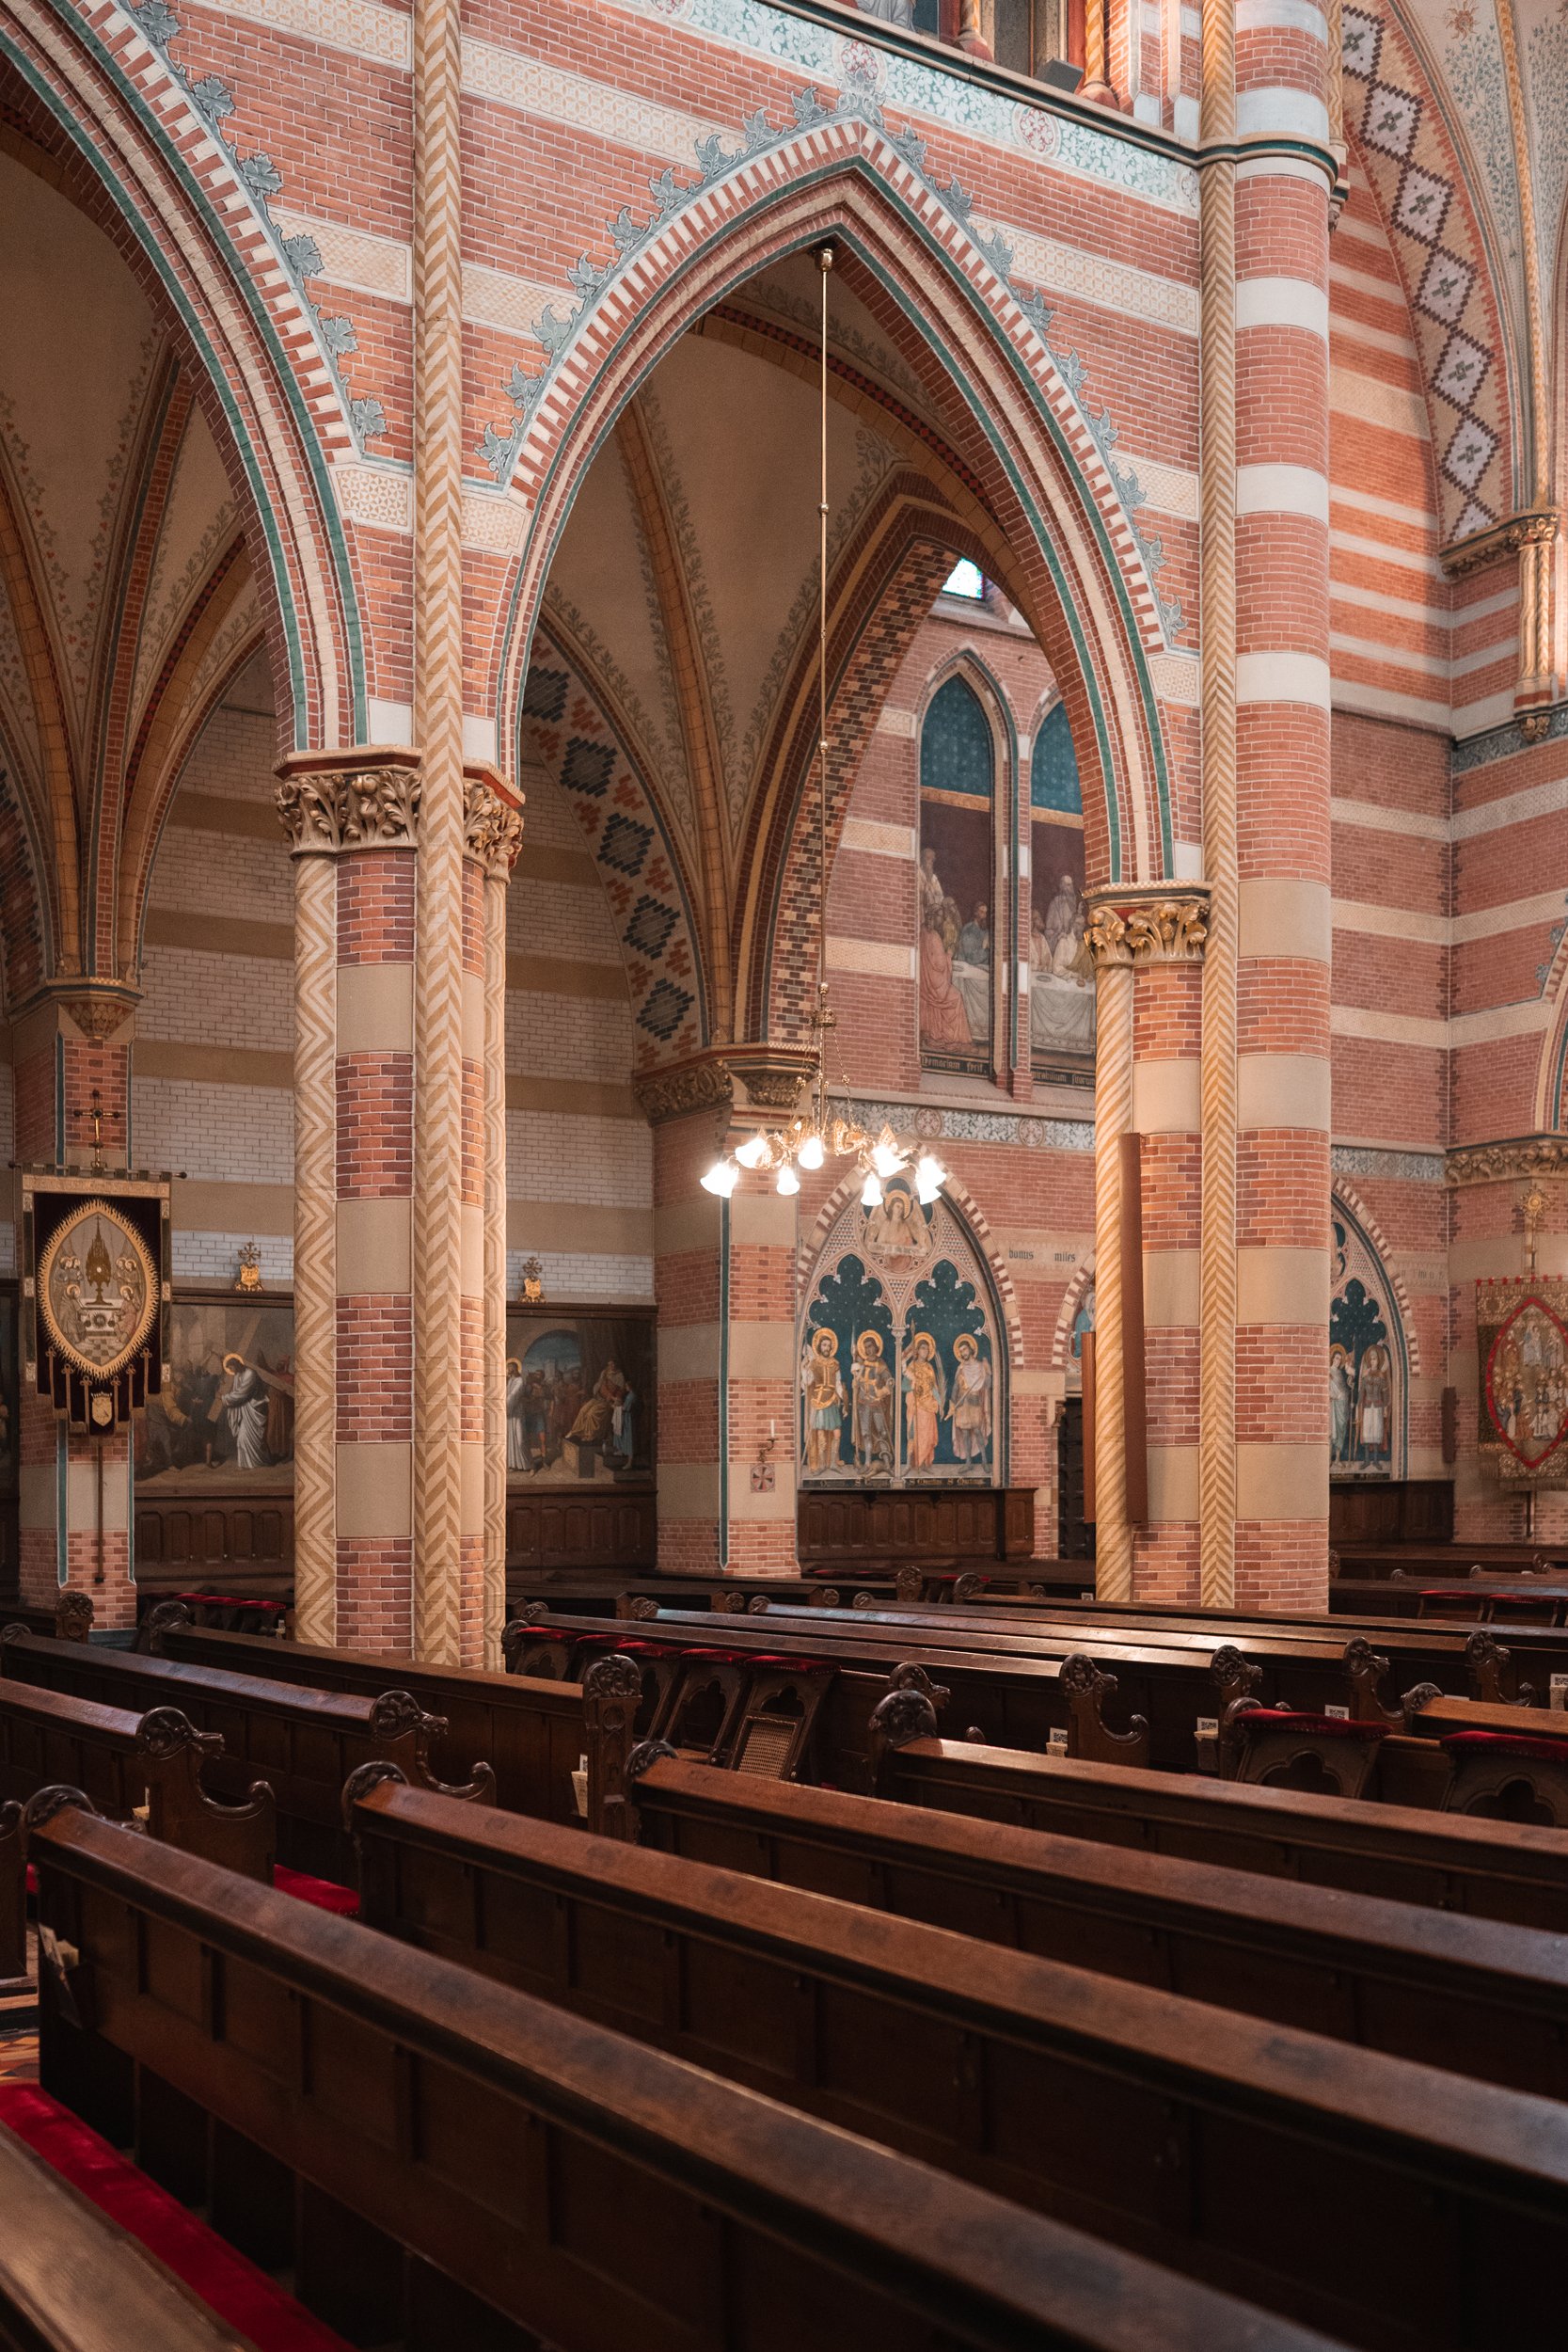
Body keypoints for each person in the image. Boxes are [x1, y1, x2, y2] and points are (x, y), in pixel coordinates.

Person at [920, 911, 973, 1046]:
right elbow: (940, 965)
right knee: (957, 997)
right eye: (938, 918)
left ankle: (936, 1035)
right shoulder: (933, 936)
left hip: (925, 984)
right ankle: (952, 1039)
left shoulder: (921, 933)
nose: (939, 922)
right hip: (934, 986)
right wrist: (949, 954)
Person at [801, 1328, 846, 1474]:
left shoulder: (835, 1364)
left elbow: (838, 1384)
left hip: (832, 1400)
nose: (826, 1348)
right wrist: (805, 1367)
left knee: (837, 1433)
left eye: (828, 1345)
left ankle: (833, 1463)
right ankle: (821, 1465)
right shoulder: (815, 1363)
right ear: (819, 1347)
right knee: (821, 1435)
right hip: (819, 1401)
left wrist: (844, 1399)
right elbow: (807, 1382)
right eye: (824, 1345)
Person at [851, 1331, 895, 1471]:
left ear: (876, 1347)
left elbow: (889, 1381)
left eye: (870, 1346)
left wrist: (882, 1391)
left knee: (882, 1432)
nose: (868, 1349)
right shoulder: (862, 1364)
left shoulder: (880, 1364)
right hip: (863, 1404)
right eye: (866, 1347)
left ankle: (887, 1463)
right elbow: (857, 1381)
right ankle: (868, 1463)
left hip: (876, 1404)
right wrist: (855, 1381)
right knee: (865, 1433)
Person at [947, 1332, 992, 1465]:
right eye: (961, 1351)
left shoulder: (980, 1366)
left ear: (971, 1349)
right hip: (961, 1405)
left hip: (974, 1403)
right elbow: (955, 1387)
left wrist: (988, 1372)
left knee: (977, 1431)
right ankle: (968, 1462)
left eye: (965, 1349)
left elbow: (987, 1385)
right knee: (965, 1433)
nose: (963, 1353)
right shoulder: (960, 1368)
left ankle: (984, 1460)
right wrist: (952, 1403)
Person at [903, 1331, 945, 1470]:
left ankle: (926, 1464)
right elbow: (904, 1386)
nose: (925, 1351)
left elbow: (934, 1388)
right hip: (917, 1406)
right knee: (915, 1435)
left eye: (927, 1349)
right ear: (917, 1350)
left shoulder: (929, 1368)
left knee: (928, 1436)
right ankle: (913, 1464)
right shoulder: (911, 1367)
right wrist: (912, 1385)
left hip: (929, 1405)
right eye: (922, 1348)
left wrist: (940, 1404)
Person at [221, 1352, 270, 1471]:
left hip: (255, 1408)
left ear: (237, 1364)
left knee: (253, 1439)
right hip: (245, 1411)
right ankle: (246, 1464)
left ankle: (258, 1462)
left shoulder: (250, 1374)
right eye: (230, 1369)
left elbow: (242, 1394)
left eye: (232, 1368)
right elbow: (236, 1391)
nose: (232, 1371)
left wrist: (224, 1398)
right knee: (242, 1439)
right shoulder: (238, 1375)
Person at [505, 1358, 530, 1471]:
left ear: (514, 1369)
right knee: (511, 1439)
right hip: (510, 1413)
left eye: (509, 1368)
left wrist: (505, 1405)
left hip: (517, 1412)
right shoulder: (510, 1381)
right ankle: (514, 1464)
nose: (508, 1370)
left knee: (520, 1440)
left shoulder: (520, 1381)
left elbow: (513, 1396)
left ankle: (528, 1465)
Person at [1329, 1346, 1353, 1464]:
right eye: (1336, 1358)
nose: (1338, 1361)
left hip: (1342, 1406)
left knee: (1341, 1430)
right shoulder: (1329, 1372)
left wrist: (1349, 1388)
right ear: (1332, 1358)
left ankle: (1337, 1459)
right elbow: (1327, 1390)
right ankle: (1329, 1460)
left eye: (1340, 1359)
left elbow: (1344, 1389)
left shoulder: (1340, 1373)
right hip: (1333, 1406)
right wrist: (1335, 1396)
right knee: (1334, 1431)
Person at [956, 902, 990, 967]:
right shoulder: (968, 929)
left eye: (985, 913)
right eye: (982, 912)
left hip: (982, 968)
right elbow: (970, 959)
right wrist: (984, 947)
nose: (985, 916)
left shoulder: (985, 930)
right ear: (975, 913)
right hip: (968, 968)